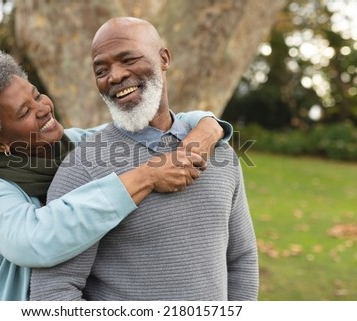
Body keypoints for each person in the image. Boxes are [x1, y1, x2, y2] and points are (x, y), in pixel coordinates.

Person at [0, 49, 233, 300]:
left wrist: (208, 124)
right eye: (24, 112)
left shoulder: (78, 144)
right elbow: (36, 240)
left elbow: (154, 124)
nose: (42, 109)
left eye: (37, 95)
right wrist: (147, 177)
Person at [30, 17, 259, 301]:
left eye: (128, 59)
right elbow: (53, 291)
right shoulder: (81, 168)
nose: (114, 76)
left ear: (164, 58)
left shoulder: (219, 152)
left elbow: (241, 259)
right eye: (101, 70)